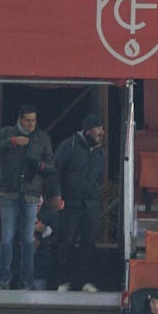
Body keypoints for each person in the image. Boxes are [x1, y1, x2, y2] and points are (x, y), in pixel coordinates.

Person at [0, 104, 55, 291]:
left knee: (28, 238)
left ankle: (27, 281)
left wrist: (39, 166)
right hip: (9, 192)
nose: (31, 124)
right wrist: (12, 141)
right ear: (20, 119)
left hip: (31, 194)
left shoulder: (42, 137)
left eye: (34, 120)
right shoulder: (7, 133)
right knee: (7, 237)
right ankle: (5, 280)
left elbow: (51, 165)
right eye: (28, 120)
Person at [52, 113, 106, 293]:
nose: (102, 132)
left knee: (88, 244)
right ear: (88, 130)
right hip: (70, 204)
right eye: (99, 129)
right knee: (65, 243)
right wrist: (57, 195)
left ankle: (86, 282)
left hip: (90, 205)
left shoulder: (100, 151)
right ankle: (62, 281)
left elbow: (100, 176)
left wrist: (96, 191)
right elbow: (55, 170)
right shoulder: (69, 145)